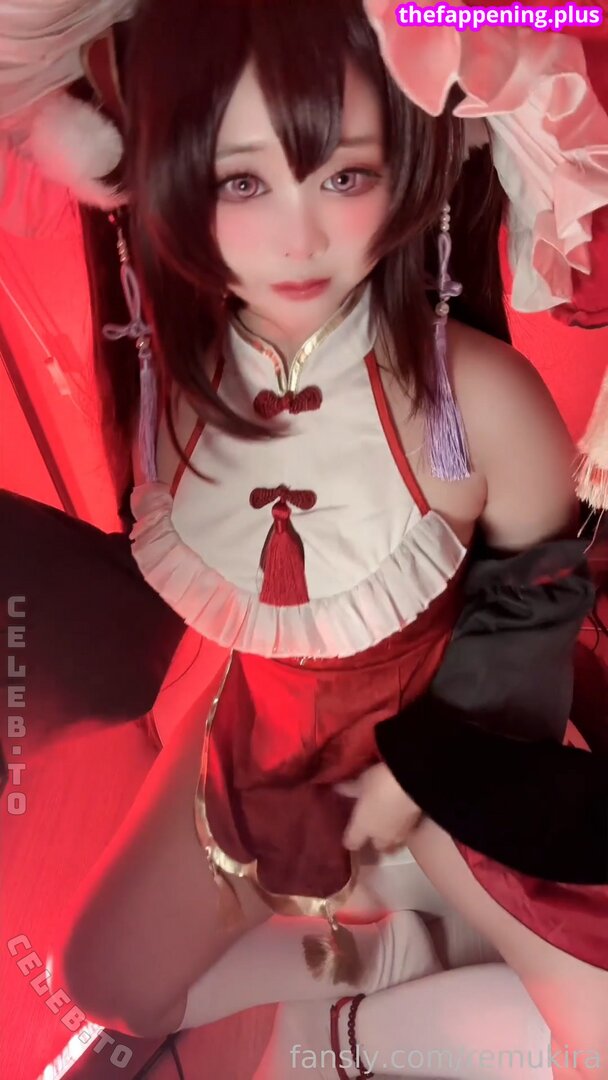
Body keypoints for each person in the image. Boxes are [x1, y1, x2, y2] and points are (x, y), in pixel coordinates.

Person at [1, 1, 607, 1077]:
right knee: (104, 981)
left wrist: (424, 779)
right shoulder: (168, 383)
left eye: (343, 175)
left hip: (454, 744)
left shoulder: (479, 396)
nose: (297, 239)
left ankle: (360, 1025)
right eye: (240, 182)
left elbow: (535, 602)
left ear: (411, 165)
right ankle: (381, 958)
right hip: (266, 736)